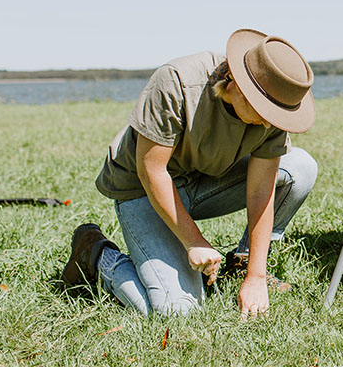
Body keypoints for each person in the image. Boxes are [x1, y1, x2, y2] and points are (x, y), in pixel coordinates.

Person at [60, 29, 318, 319]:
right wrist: (194, 241)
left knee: (301, 167)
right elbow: (151, 171)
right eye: (264, 111)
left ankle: (241, 264)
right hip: (143, 188)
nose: (270, 123)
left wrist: (256, 276)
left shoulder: (274, 114)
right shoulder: (177, 82)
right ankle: (95, 256)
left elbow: (261, 191)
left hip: (204, 180)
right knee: (178, 310)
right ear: (235, 82)